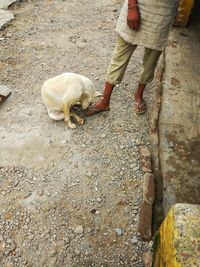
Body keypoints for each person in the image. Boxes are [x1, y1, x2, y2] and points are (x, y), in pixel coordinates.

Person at [86, 0, 178, 115]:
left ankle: (139, 95)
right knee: (119, 57)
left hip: (163, 13)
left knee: (151, 60)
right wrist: (132, 6)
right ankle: (105, 101)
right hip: (139, 5)